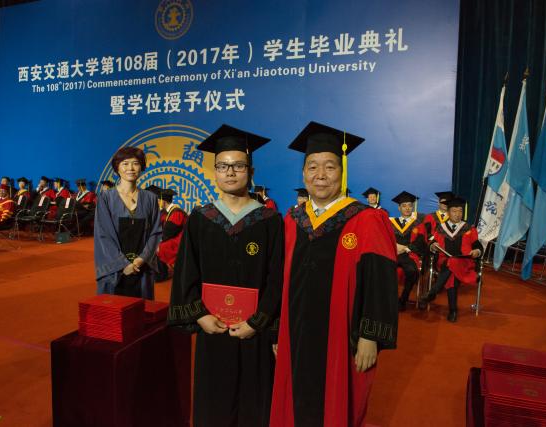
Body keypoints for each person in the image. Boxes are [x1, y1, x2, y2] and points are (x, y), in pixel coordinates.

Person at [271, 122, 398, 427]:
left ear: (342, 173)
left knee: (338, 403)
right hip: (295, 331)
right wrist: (277, 331)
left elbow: (381, 282)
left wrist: (370, 335)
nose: (321, 174)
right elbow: (278, 280)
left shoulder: (366, 219)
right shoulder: (293, 220)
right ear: (304, 173)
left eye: (330, 167)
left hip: (342, 336)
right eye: (312, 167)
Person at [168, 124, 284, 427]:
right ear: (215, 171)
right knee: (214, 403)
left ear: (251, 171)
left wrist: (258, 322)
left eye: (238, 166)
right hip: (213, 330)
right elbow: (186, 272)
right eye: (222, 166)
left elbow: (277, 277)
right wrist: (200, 315)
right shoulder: (201, 219)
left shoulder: (270, 220)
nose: (230, 172)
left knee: (253, 402)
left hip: (254, 332)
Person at [93, 147, 162, 299]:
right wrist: (123, 265)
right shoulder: (106, 198)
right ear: (117, 167)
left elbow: (155, 232)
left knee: (142, 309)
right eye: (125, 163)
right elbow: (103, 236)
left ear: (141, 167)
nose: (130, 168)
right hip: (115, 271)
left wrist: (141, 260)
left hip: (142, 268)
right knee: (114, 309)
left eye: (135, 163)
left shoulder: (150, 199)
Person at [419, 197, 483, 322]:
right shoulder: (441, 228)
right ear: (448, 212)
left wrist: (477, 251)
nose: (458, 214)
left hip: (465, 263)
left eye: (460, 211)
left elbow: (478, 246)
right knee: (451, 265)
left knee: (452, 262)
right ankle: (452, 310)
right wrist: (433, 246)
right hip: (444, 263)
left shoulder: (469, 228)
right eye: (454, 211)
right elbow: (431, 243)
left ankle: (433, 292)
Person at [390, 191, 426, 311]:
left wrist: (405, 248)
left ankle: (403, 299)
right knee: (383, 269)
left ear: (413, 207)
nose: (407, 208)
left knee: (412, 271)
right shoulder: (391, 223)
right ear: (399, 208)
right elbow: (386, 238)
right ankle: (390, 298)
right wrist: (395, 246)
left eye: (410, 205)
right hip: (393, 254)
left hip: (409, 255)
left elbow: (420, 241)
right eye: (404, 206)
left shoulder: (418, 224)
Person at [154, 188, 188, 281]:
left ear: (164, 201)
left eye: (159, 200)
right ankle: (162, 271)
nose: (158, 202)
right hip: (175, 238)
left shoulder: (176, 213)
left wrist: (156, 241)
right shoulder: (169, 212)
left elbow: (168, 233)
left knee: (158, 248)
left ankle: (162, 274)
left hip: (181, 241)